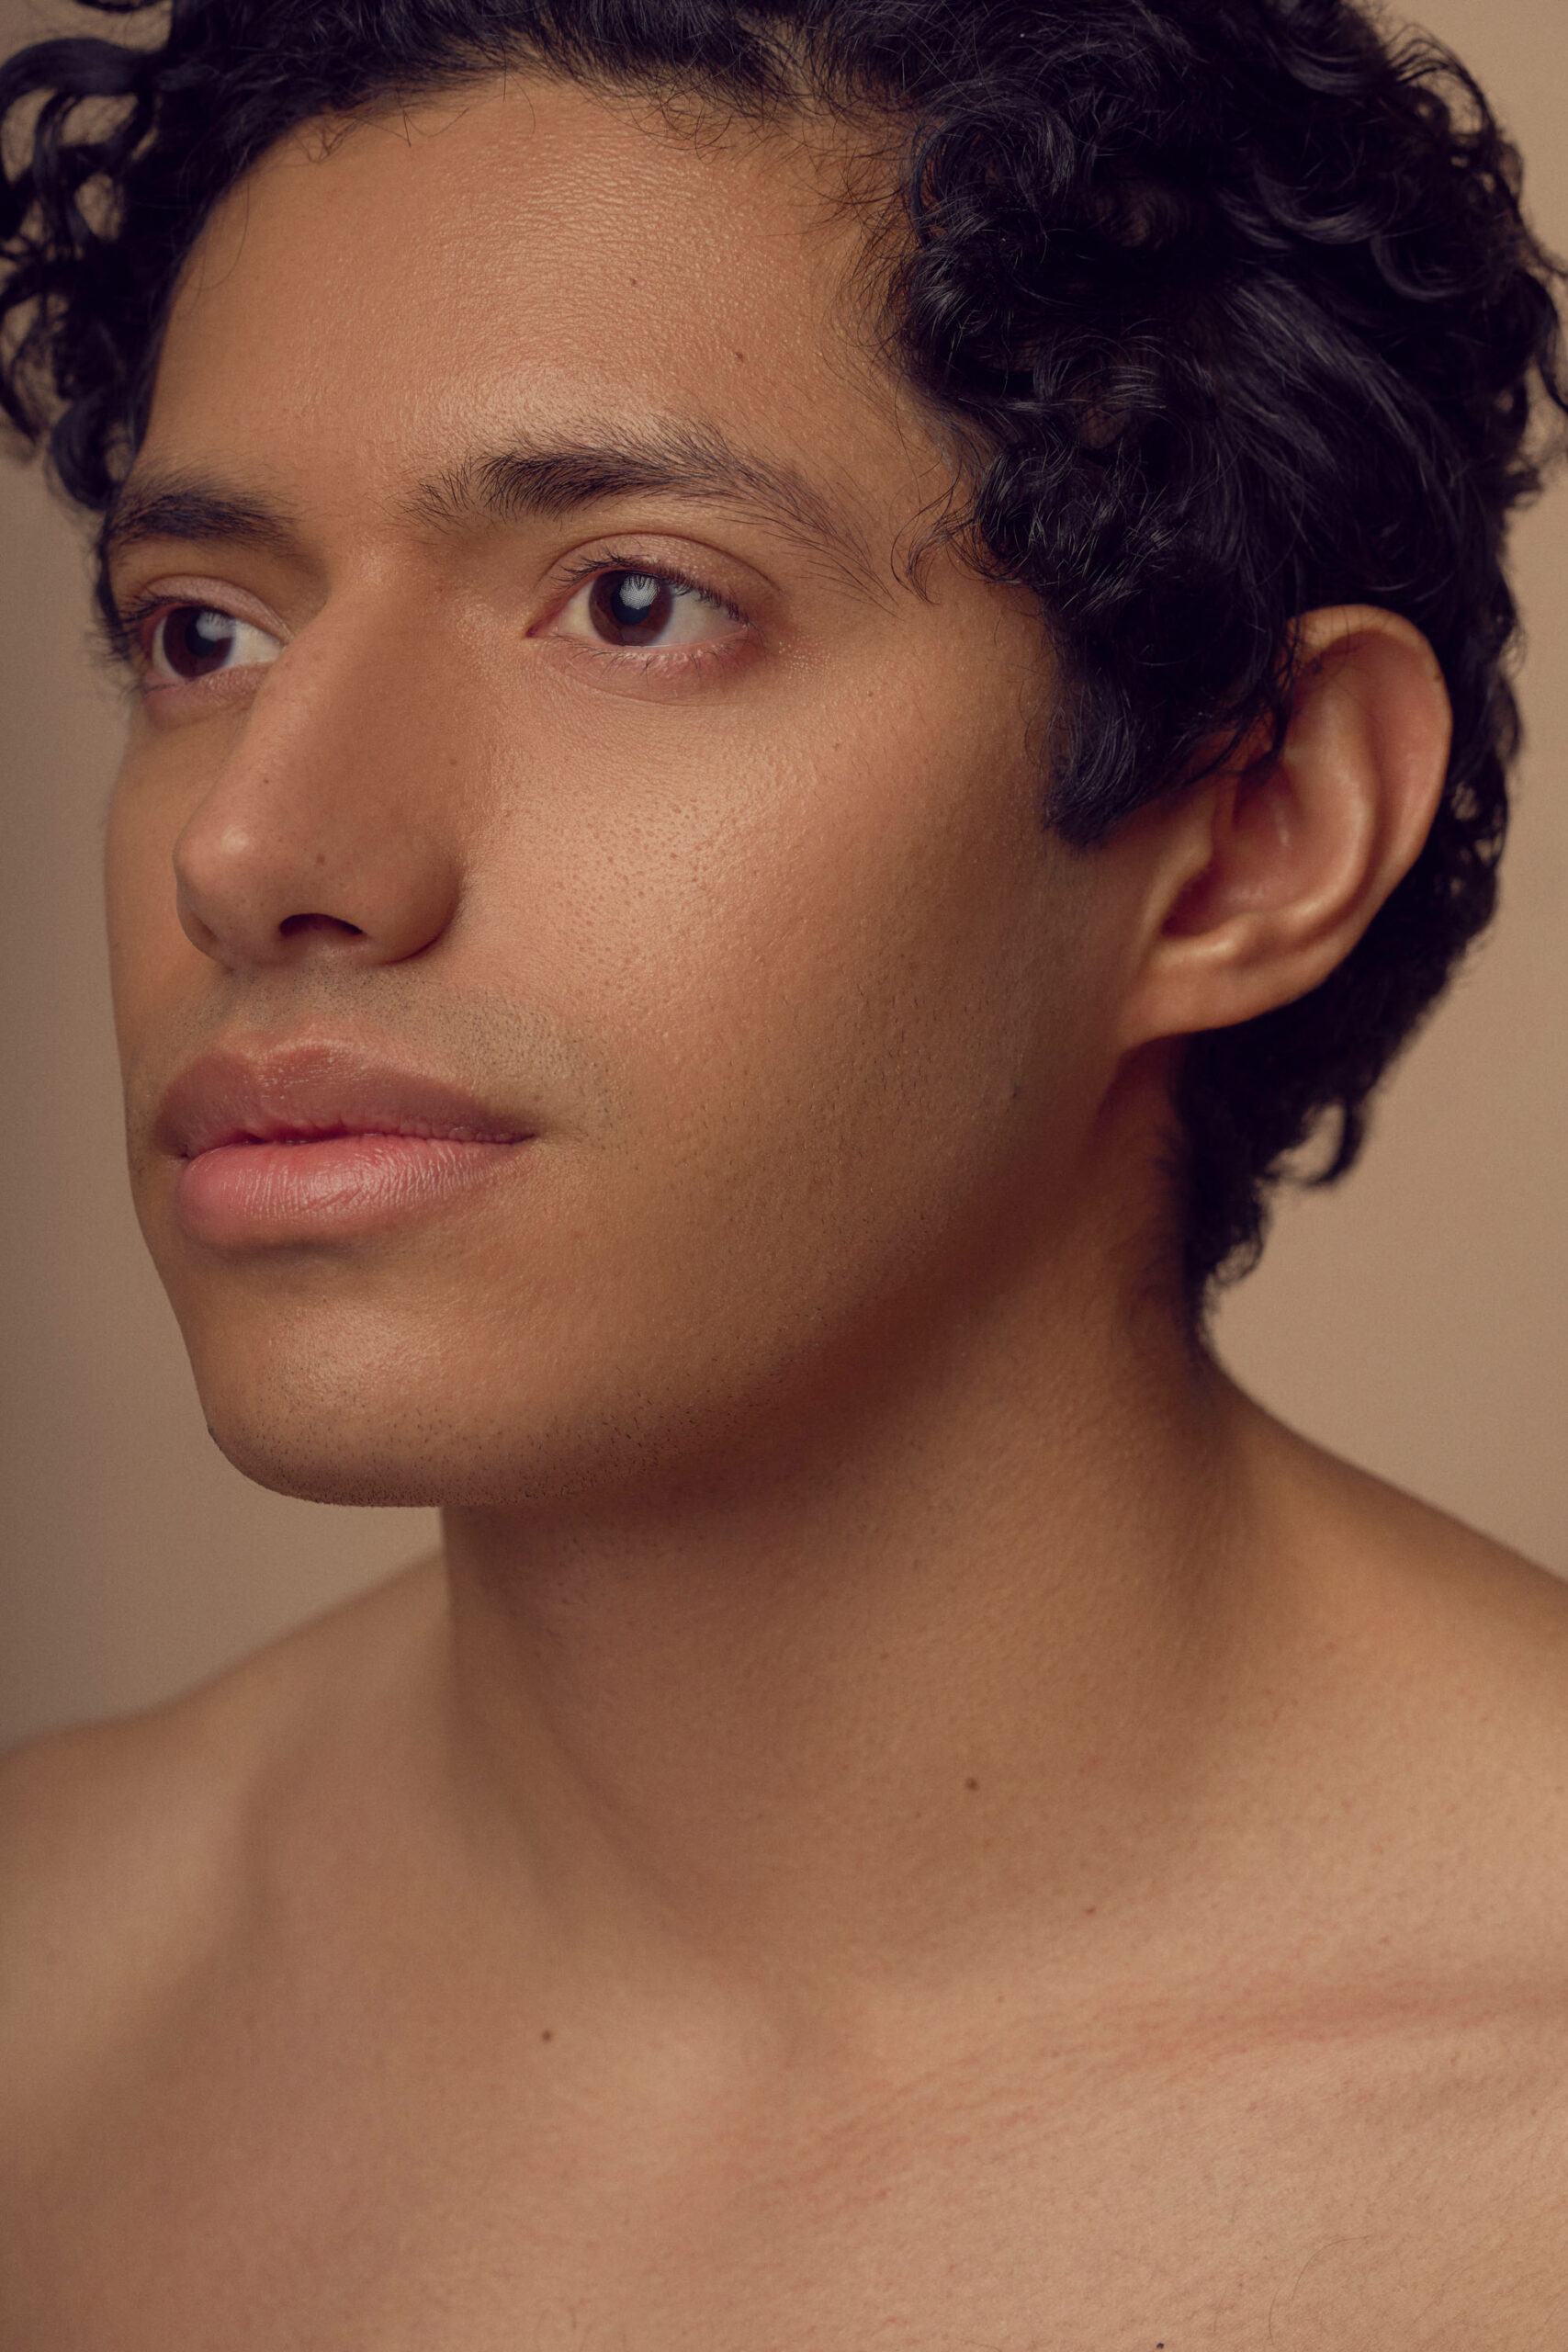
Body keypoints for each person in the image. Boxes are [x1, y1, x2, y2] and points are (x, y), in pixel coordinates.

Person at [1, 0, 1564, 2339]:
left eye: (635, 602)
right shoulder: (40, 1996)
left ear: (1252, 827)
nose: (254, 848)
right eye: (202, 632)